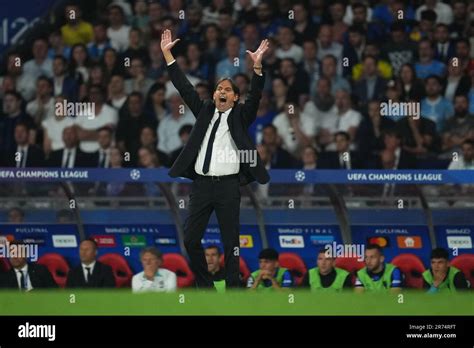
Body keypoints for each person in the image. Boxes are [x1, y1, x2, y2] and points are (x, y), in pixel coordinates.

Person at [160, 29, 269, 289]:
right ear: (214, 95)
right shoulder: (205, 111)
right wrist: (168, 56)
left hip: (228, 186)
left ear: (234, 97)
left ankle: (233, 287)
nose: (222, 91)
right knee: (190, 240)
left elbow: (255, 98)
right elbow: (184, 88)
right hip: (201, 185)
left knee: (231, 242)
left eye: (227, 90)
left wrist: (257, 68)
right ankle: (205, 285)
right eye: (219, 88)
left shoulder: (241, 117)